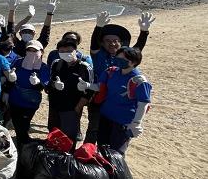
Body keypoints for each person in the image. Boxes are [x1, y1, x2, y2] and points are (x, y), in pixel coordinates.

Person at [85, 10, 153, 142]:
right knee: (94, 128)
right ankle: (88, 151)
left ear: (121, 43)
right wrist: (98, 27)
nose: (112, 43)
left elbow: (138, 49)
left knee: (115, 131)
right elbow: (94, 44)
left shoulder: (127, 57)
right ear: (102, 43)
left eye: (115, 41)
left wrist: (144, 32)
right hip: (99, 98)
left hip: (119, 101)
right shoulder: (98, 56)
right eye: (107, 41)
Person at [92, 46, 151, 153]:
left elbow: (143, 103)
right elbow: (101, 87)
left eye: (123, 59)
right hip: (106, 117)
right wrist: (87, 85)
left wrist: (136, 123)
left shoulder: (138, 81)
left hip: (123, 122)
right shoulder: (111, 72)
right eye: (118, 58)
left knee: (116, 154)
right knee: (102, 149)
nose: (119, 61)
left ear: (133, 62)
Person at [46, 38, 95, 147]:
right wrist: (54, 85)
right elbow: (50, 82)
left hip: (71, 108)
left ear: (75, 51)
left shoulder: (84, 67)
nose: (65, 54)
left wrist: (78, 107)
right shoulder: (56, 64)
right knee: (53, 134)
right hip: (55, 106)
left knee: (68, 138)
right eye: (62, 51)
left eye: (69, 51)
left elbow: (90, 91)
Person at [6, 40, 51, 147]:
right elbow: (10, 77)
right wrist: (10, 80)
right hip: (14, 99)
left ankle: (23, 144)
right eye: (29, 50)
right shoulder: (18, 62)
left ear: (41, 52)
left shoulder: (43, 67)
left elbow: (45, 85)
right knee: (16, 123)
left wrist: (38, 83)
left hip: (30, 102)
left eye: (34, 51)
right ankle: (22, 143)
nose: (31, 53)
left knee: (24, 124)